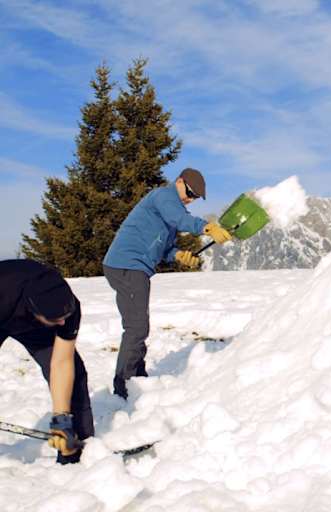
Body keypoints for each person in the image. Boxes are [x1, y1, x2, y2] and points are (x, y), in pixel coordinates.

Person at [102, 168, 232, 399]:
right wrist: (208, 227)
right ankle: (123, 386)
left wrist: (179, 255)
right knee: (136, 327)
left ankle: (136, 378)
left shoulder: (172, 210)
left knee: (138, 325)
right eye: (189, 192)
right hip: (126, 264)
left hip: (135, 267)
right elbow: (180, 219)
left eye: (194, 197)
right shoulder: (164, 196)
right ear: (179, 181)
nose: (189, 199)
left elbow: (165, 248)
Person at [0, 259, 94, 464]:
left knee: (75, 375)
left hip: (34, 323)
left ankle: (75, 452)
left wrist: (62, 419)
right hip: (5, 308)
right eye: (55, 319)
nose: (62, 323)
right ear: (33, 310)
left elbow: (61, 362)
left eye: (64, 317)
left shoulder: (67, 306)